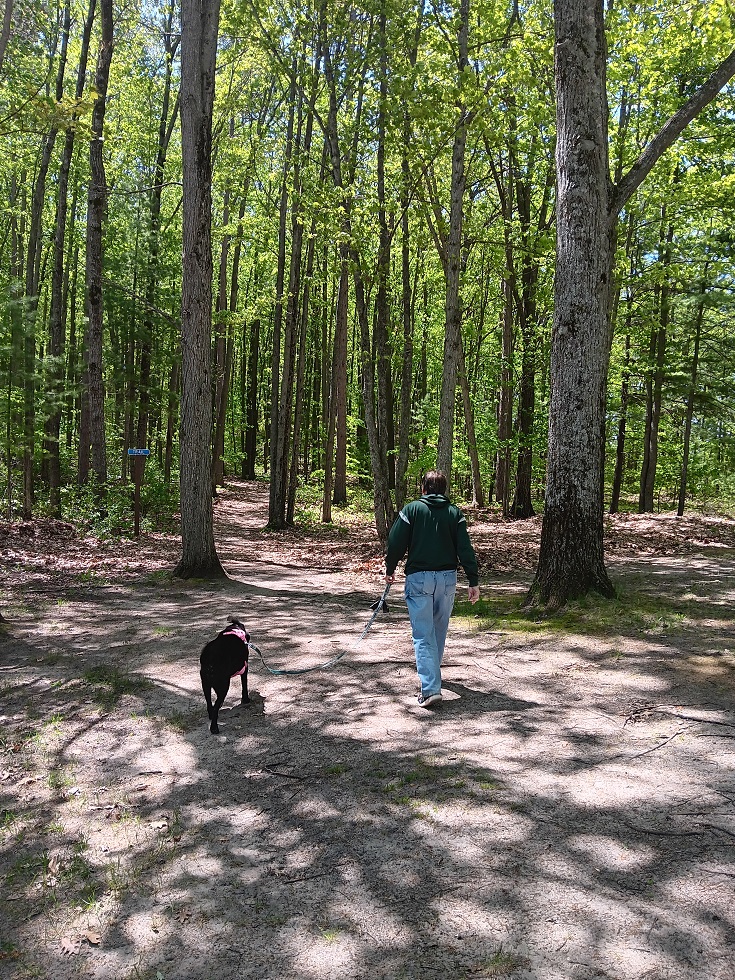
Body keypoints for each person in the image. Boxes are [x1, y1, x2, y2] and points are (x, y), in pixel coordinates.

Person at [384, 470, 480, 708]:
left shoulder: (412, 510)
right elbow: (465, 549)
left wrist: (390, 567)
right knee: (437, 631)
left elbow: (396, 542)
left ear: (423, 488)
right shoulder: (454, 513)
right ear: (444, 490)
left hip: (419, 578)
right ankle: (433, 680)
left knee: (423, 633)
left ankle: (430, 689)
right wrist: (473, 580)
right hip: (447, 579)